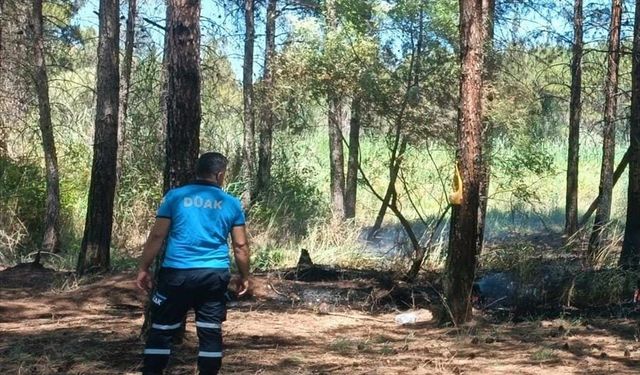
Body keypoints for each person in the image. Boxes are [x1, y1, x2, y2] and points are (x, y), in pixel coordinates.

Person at [136, 152, 250, 375]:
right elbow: (240, 246)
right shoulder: (231, 203)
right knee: (210, 331)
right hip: (213, 275)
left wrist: (143, 267)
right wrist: (244, 275)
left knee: (162, 329)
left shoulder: (175, 197)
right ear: (220, 174)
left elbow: (157, 236)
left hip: (176, 274)